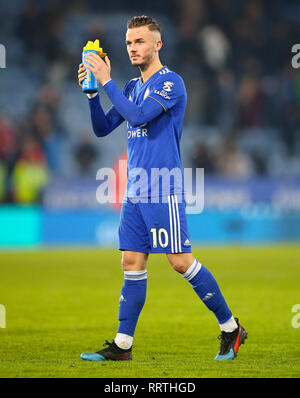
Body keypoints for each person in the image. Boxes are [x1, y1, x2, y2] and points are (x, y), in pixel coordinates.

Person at [77, 15, 247, 361]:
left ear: (158, 44)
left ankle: (231, 328)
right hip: (136, 189)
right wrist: (94, 95)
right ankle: (122, 346)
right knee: (131, 260)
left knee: (180, 261)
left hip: (162, 186)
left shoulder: (171, 83)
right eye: (128, 43)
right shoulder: (130, 86)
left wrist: (106, 80)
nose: (132, 48)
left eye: (139, 41)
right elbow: (102, 129)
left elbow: (139, 117)